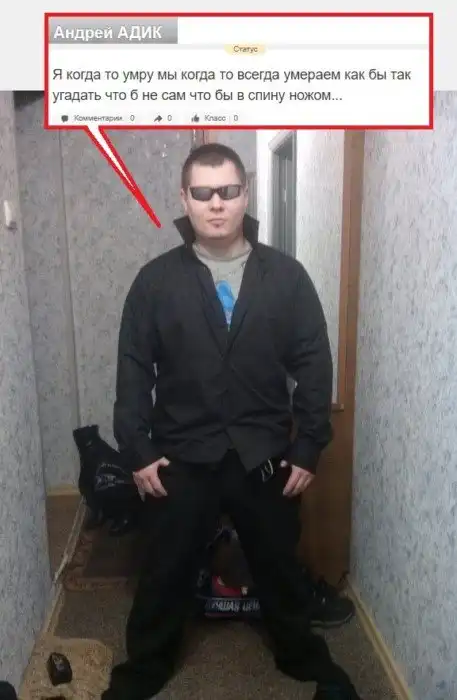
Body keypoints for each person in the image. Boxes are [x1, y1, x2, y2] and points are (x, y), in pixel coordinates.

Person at [101, 143, 362, 700]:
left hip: (262, 454)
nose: (215, 203)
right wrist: (138, 449)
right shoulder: (155, 282)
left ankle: (304, 660)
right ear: (185, 199)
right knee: (164, 572)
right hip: (180, 455)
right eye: (203, 192)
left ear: (245, 195)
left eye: (227, 191)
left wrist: (309, 445)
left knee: (280, 569)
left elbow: (314, 363)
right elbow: (133, 369)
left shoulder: (286, 278)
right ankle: (143, 671)